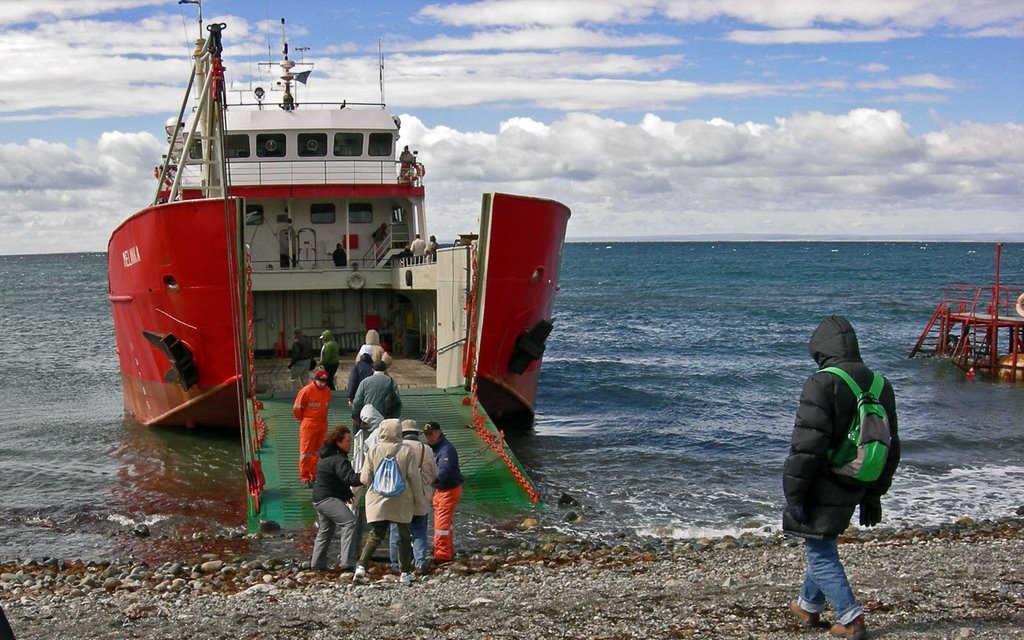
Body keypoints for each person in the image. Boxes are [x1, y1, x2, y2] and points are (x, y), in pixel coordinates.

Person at [783, 316, 900, 640]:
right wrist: (874, 493)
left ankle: (851, 618)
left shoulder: (821, 384)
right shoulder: (880, 384)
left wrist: (794, 495)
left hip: (825, 482)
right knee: (821, 541)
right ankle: (808, 607)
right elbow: (892, 446)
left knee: (821, 553)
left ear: (820, 349)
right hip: (858, 478)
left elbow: (807, 447)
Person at [354, 418, 425, 585]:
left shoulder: (373, 450)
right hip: (401, 500)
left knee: (376, 535)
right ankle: (405, 573)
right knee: (404, 537)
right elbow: (414, 478)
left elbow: (364, 478)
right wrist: (420, 501)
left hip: (377, 499)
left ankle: (361, 568)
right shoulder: (406, 451)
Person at [310, 426, 363, 572]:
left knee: (326, 530)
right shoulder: (339, 460)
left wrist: (347, 494)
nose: (350, 444)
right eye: (347, 441)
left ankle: (317, 564)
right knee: (349, 522)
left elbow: (336, 480)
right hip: (328, 499)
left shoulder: (327, 456)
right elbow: (349, 478)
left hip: (318, 499)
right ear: (338, 442)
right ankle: (348, 563)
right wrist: (366, 476)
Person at [389, 420, 438, 574]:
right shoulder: (427, 449)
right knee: (419, 530)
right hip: (422, 496)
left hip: (400, 495)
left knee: (396, 531)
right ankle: (420, 562)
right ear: (417, 433)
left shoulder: (397, 449)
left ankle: (395, 565)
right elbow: (434, 474)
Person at [423, 421, 464, 563]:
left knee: (441, 523)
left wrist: (429, 479)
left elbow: (443, 472)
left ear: (439, 432)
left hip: (448, 490)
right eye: (427, 435)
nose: (430, 437)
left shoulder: (446, 450)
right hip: (442, 489)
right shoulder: (435, 448)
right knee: (444, 522)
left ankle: (441, 554)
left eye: (432, 433)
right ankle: (448, 549)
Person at [292, 370, 333, 486]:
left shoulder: (327, 391)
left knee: (318, 452)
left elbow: (326, 407)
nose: (323, 383)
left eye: (325, 381)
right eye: (321, 381)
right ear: (315, 380)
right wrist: (304, 420)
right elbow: (296, 409)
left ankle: (314, 474)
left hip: (322, 424)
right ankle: (305, 477)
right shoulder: (306, 391)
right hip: (309, 425)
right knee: (306, 452)